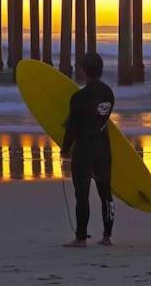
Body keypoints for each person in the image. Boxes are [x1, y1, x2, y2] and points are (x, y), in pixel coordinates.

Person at [61, 52, 115, 247]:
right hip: (103, 148)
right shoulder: (109, 93)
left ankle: (81, 238)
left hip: (84, 149)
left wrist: (65, 149)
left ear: (83, 71)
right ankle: (107, 236)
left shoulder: (79, 97)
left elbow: (73, 128)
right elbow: (103, 119)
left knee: (82, 194)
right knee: (106, 194)